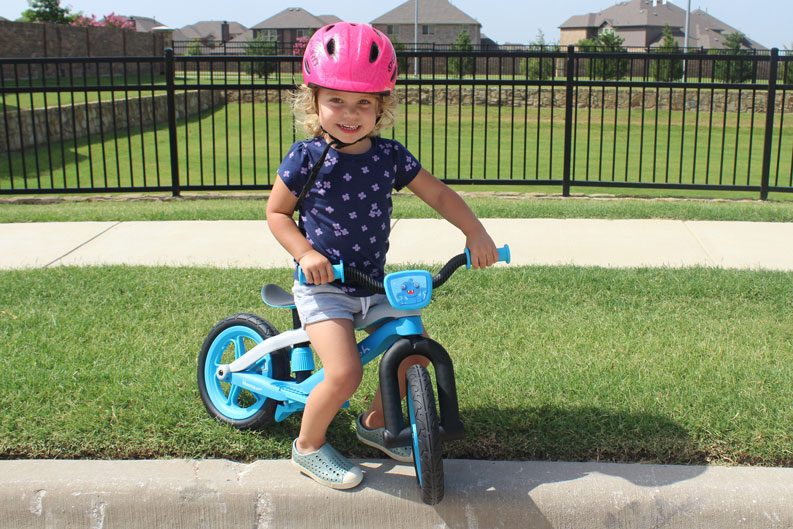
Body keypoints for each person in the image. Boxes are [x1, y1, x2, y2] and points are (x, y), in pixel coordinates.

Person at [266, 21, 498, 490]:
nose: (349, 114)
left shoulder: (389, 157)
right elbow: (276, 213)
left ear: (381, 107)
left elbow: (438, 194)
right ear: (314, 101)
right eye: (336, 100)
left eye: (363, 103)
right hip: (324, 287)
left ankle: (375, 423)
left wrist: (474, 231)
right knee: (346, 370)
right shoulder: (306, 157)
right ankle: (307, 447)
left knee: (415, 350)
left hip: (373, 285)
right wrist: (306, 252)